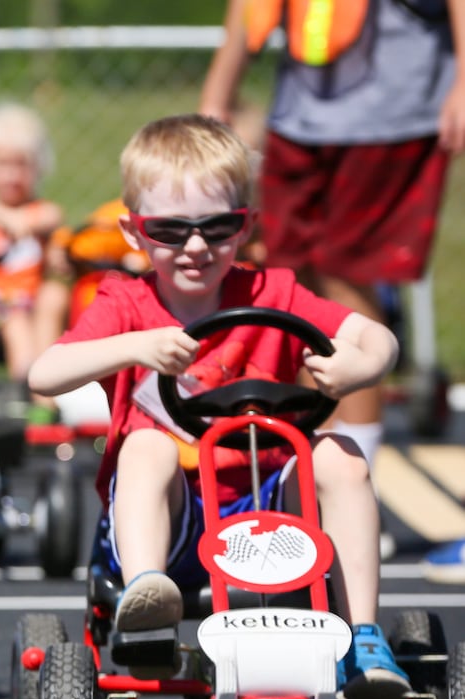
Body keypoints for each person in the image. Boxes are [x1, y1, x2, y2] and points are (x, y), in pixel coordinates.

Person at [26, 114, 408, 699]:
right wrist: (133, 347)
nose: (197, 247)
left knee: (341, 457)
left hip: (269, 513)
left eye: (218, 228)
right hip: (174, 521)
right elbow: (42, 374)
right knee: (147, 443)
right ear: (133, 232)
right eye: (171, 230)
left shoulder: (273, 292)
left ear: (245, 226)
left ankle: (362, 635)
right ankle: (147, 601)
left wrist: (363, 367)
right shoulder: (125, 301)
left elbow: (377, 338)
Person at [199, 0, 465, 569]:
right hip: (302, 118)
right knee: (289, 291)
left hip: (392, 118)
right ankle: (296, 481)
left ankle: (356, 480)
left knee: (349, 285)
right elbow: (249, 14)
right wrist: (217, 100)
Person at [0, 101, 69, 401]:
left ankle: (50, 385)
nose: (12, 175)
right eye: (2, 164)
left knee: (54, 295)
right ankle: (33, 392)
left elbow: (46, 221)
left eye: (21, 164)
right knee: (15, 318)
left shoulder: (43, 213)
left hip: (33, 307)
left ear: (38, 166)